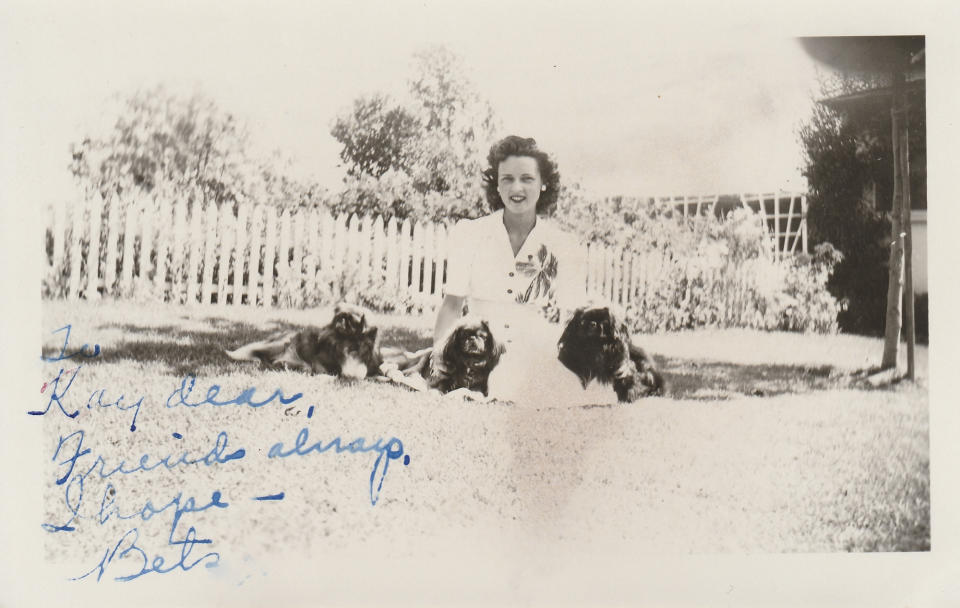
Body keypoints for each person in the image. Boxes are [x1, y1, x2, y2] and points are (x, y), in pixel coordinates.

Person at [433, 135, 617, 407]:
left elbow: (572, 317)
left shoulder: (562, 244)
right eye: (507, 178)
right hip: (478, 350)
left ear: (544, 184)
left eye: (527, 179)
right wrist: (440, 359)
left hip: (535, 351)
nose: (516, 187)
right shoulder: (470, 233)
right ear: (497, 183)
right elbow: (452, 305)